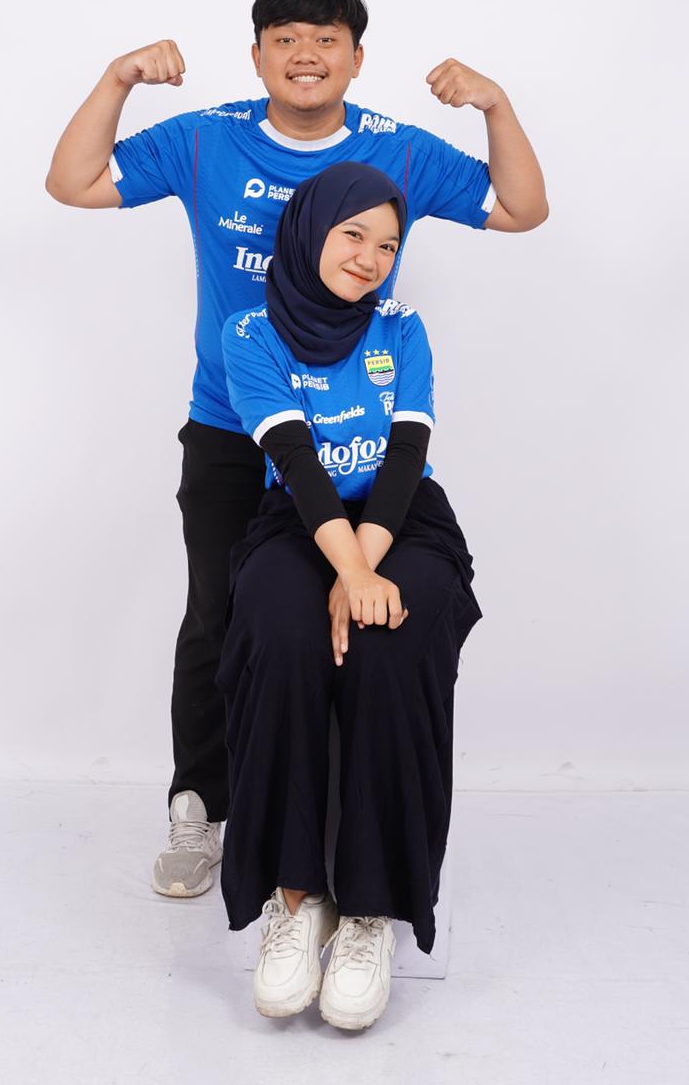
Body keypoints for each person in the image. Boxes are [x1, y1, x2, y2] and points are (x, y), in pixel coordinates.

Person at [45, 0, 548, 900]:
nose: (306, 55)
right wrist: (118, 78)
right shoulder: (207, 138)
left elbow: (521, 209)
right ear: (256, 56)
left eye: (326, 40)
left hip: (354, 440)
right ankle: (202, 808)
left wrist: (496, 105)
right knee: (220, 614)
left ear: (356, 59)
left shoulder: (398, 151)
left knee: (339, 623)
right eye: (285, 38)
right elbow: (72, 182)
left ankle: (327, 831)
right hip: (234, 428)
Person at [219, 161, 481, 1030]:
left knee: (389, 645)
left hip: (404, 523)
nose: (371, 257)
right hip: (299, 520)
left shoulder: (401, 328)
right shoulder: (250, 332)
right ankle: (296, 898)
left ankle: (373, 907)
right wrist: (347, 572)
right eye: (353, 234)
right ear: (310, 231)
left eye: (388, 245)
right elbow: (295, 460)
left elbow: (405, 457)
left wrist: (364, 571)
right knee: (283, 636)